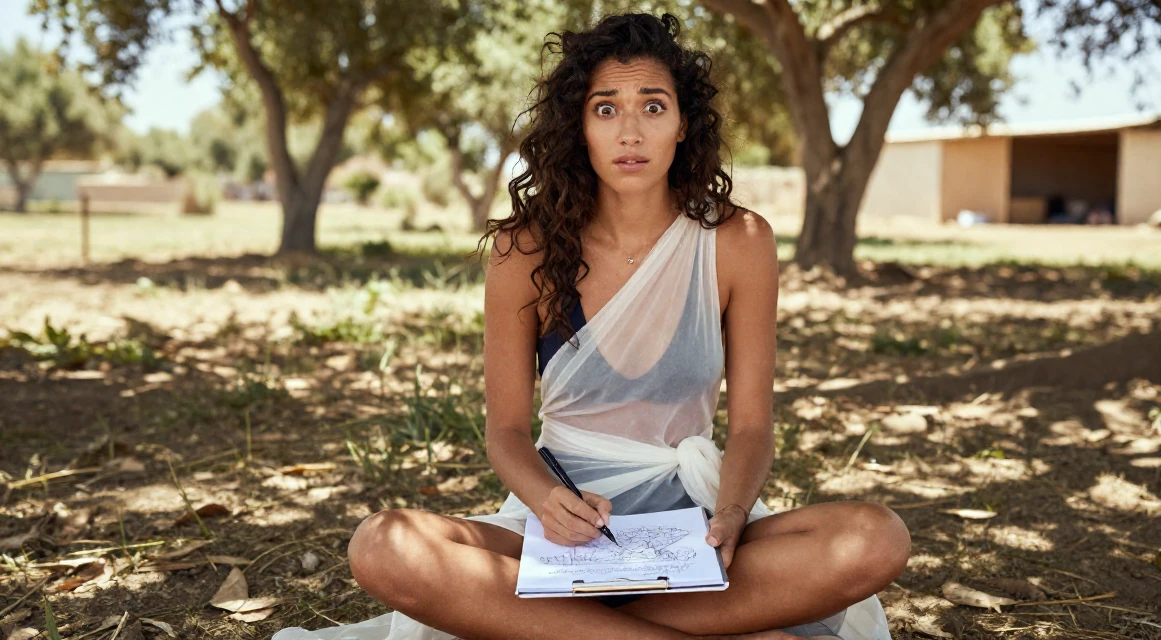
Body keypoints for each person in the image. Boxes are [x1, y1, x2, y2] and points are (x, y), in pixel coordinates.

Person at [274, 13, 908, 640]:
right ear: (579, 125)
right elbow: (506, 432)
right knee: (383, 545)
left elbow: (749, 428)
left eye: (653, 106)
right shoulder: (523, 252)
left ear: (684, 123)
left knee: (876, 538)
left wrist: (732, 518)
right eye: (606, 109)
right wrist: (548, 501)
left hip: (693, 524)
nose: (630, 131)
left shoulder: (738, 241)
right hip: (564, 524)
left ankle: (559, 629)